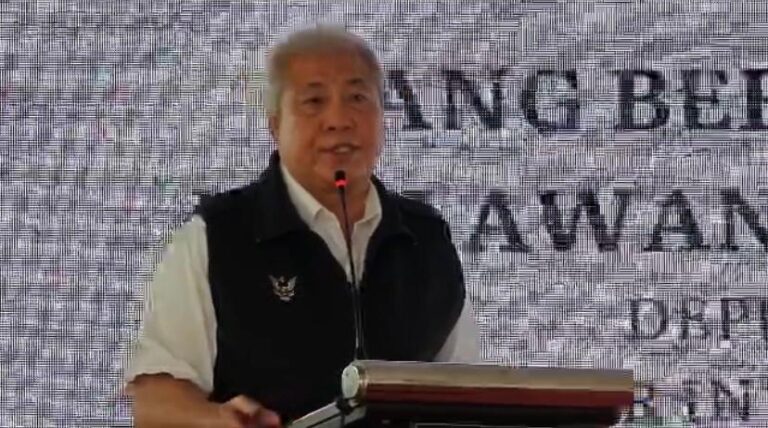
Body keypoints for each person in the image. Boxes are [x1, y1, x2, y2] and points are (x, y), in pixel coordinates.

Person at [123, 25, 480, 428]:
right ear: (275, 124)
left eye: (357, 98)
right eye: (314, 101)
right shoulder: (217, 236)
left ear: (383, 117)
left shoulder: (426, 238)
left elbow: (469, 391)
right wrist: (216, 419)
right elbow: (156, 403)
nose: (338, 120)